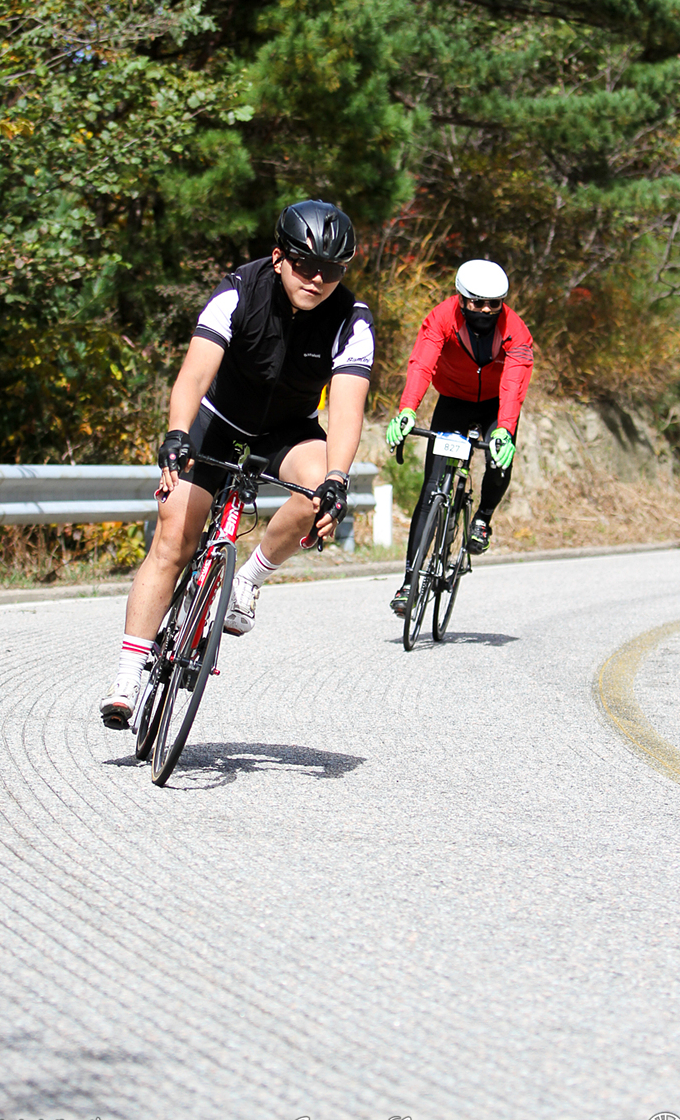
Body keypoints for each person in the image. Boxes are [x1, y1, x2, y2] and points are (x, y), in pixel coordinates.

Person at [101, 200, 375, 726]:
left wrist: (337, 480)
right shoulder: (238, 291)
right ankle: (128, 678)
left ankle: (248, 578)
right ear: (279, 257)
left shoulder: (352, 320)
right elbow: (194, 374)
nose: (317, 279)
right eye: (305, 264)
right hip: (219, 420)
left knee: (317, 492)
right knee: (173, 541)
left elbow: (347, 410)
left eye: (333, 270)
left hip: (287, 429)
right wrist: (177, 435)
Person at [385, 259, 533, 616]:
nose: (486, 310)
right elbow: (422, 363)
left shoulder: (516, 331)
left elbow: (514, 383)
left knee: (499, 459)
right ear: (462, 298)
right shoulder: (441, 318)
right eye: (477, 303)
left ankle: (482, 518)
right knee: (431, 488)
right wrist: (407, 409)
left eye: (494, 304)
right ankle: (408, 583)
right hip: (453, 400)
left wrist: (504, 429)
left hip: (495, 404)